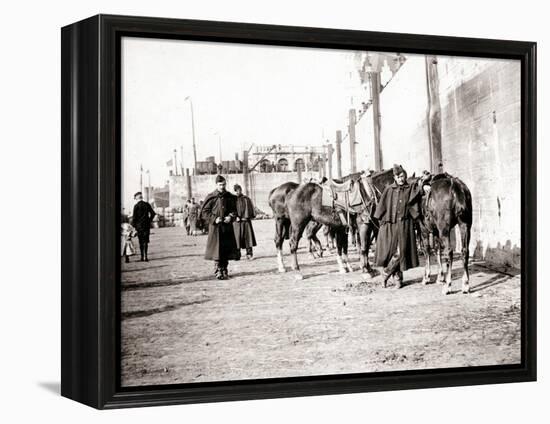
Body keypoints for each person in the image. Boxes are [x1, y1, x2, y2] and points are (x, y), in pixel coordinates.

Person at [374, 164, 421, 288]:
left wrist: (424, 187)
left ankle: (385, 274)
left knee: (401, 252)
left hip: (405, 225)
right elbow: (381, 208)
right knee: (391, 252)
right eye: (398, 177)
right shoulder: (389, 190)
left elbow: (417, 193)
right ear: (394, 177)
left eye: (403, 176)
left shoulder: (409, 188)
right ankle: (397, 279)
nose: (401, 178)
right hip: (390, 224)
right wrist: (382, 222)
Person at [200, 175, 240, 279]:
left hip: (226, 228)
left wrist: (230, 217)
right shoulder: (211, 197)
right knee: (217, 250)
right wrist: (214, 219)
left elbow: (234, 210)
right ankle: (218, 271)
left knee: (226, 250)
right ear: (216, 185)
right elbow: (204, 212)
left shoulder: (230, 197)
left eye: (224, 184)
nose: (222, 187)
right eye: (220, 184)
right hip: (215, 228)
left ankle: (225, 270)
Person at [232, 184, 257, 259]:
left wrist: (247, 216)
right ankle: (237, 254)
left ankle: (249, 254)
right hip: (237, 222)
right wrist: (235, 217)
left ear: (241, 190)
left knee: (248, 238)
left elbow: (251, 210)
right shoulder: (233, 200)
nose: (237, 192)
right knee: (237, 238)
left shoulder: (246, 199)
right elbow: (230, 210)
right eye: (236, 191)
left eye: (238, 190)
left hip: (246, 222)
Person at [131, 192, 156, 262]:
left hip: (139, 226)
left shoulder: (136, 206)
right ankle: (146, 256)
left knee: (140, 241)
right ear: (141, 197)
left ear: (137, 198)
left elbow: (134, 218)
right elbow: (153, 214)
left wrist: (134, 226)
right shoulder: (147, 204)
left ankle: (142, 256)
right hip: (146, 226)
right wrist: (149, 220)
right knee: (146, 241)